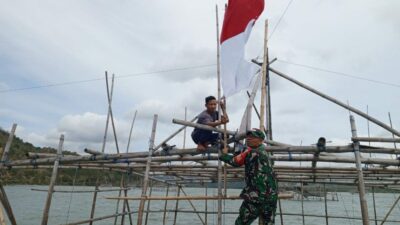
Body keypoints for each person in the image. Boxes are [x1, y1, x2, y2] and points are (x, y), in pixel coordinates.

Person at [220, 128, 277, 225]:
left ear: (260, 140)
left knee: (241, 223)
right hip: (271, 197)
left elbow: (235, 161)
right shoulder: (264, 153)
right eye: (248, 136)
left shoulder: (253, 152)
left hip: (256, 197)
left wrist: (223, 155)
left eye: (253, 137)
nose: (248, 139)